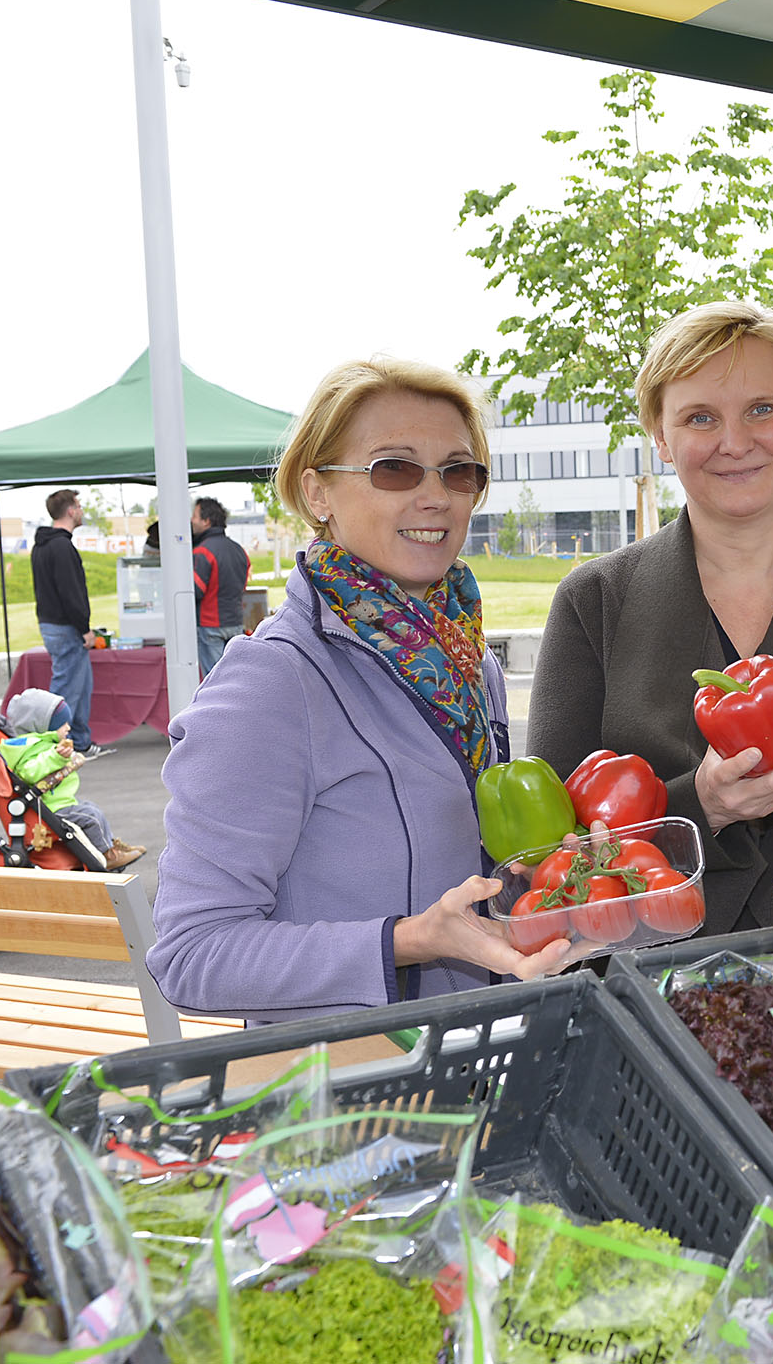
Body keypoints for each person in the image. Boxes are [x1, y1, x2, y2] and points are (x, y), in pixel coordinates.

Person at [148, 357, 570, 1022]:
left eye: (459, 471)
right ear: (318, 494)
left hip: (476, 1071)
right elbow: (192, 952)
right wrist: (406, 941)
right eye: (394, 468)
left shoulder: (466, 661)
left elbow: (464, 880)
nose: (435, 495)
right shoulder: (274, 681)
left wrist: (538, 879)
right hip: (345, 1101)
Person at [528, 301, 773, 936]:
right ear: (661, 438)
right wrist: (699, 808)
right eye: (699, 418)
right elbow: (549, 855)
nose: (735, 442)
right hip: (643, 983)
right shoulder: (594, 601)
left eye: (763, 410)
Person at [0, 688, 146, 870]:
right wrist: (57, 757)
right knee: (89, 816)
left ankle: (110, 845)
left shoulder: (45, 745)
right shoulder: (30, 748)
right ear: (44, 726)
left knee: (92, 808)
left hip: (61, 802)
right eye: (63, 724)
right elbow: (29, 772)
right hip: (50, 807)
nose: (68, 727)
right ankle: (107, 856)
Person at [30, 488, 109, 759]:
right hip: (66, 627)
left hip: (53, 624)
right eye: (79, 506)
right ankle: (55, 746)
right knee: (67, 691)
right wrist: (84, 628)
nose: (82, 511)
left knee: (80, 685)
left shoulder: (43, 545)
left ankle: (80, 741)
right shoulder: (61, 547)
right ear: (71, 510)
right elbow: (70, 592)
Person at [190, 496, 250, 677]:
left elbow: (195, 591)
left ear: (206, 521)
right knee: (235, 679)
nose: (191, 520)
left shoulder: (202, 552)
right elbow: (242, 587)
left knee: (215, 682)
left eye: (194, 516)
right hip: (235, 623)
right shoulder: (239, 550)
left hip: (210, 626)